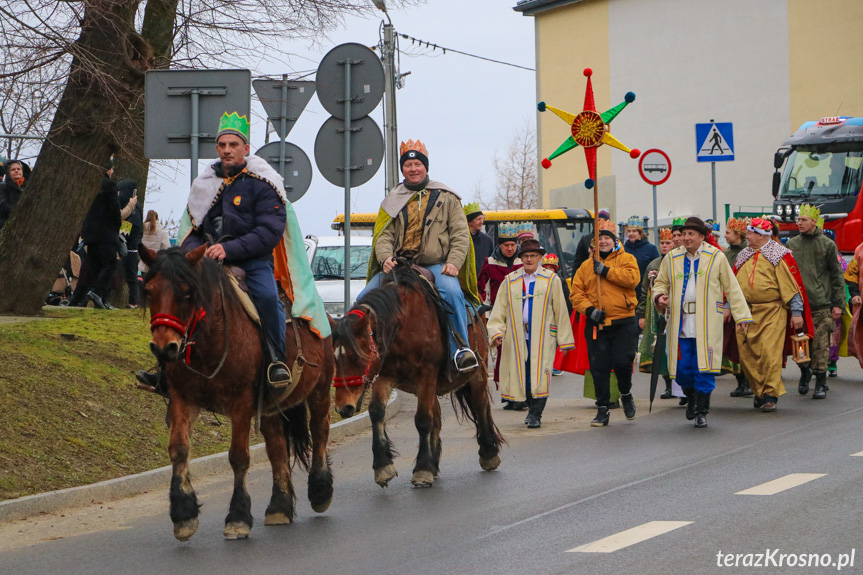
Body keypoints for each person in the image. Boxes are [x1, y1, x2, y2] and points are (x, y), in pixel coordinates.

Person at [139, 111, 312, 394]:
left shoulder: (264, 183)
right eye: (222, 145)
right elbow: (194, 230)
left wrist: (228, 248)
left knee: (269, 298)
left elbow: (269, 231)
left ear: (245, 148)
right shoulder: (205, 185)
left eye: (234, 145)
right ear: (217, 149)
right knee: (177, 296)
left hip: (252, 263)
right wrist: (195, 253)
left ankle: (275, 362)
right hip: (208, 263)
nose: (227, 150)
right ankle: (166, 371)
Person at [363, 139, 479, 372]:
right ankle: (365, 354)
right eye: (408, 165)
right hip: (399, 266)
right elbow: (383, 236)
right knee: (363, 299)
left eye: (417, 164)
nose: (413, 169)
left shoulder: (447, 197)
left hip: (436, 265)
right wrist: (385, 257)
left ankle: (461, 350)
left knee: (453, 293)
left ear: (426, 167)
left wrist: (454, 263)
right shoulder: (392, 200)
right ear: (402, 169)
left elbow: (460, 235)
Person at [653, 217, 753, 428]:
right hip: (681, 323)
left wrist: (741, 315)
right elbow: (661, 282)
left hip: (707, 323)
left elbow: (732, 286)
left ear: (701, 236)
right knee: (682, 370)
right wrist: (660, 295)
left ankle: (701, 411)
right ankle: (691, 398)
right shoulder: (671, 258)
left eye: (691, 234)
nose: (686, 238)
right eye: (684, 234)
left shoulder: (716, 256)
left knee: (704, 369)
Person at [488, 239, 574, 428]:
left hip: (543, 336)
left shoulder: (551, 280)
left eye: (533, 256)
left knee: (541, 374)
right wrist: (496, 331)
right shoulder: (510, 280)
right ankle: (530, 405)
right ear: (521, 258)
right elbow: (499, 310)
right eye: (525, 256)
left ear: (539, 258)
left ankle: (536, 414)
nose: (529, 259)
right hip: (517, 336)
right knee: (523, 376)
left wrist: (565, 340)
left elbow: (560, 309)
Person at [733, 217, 811, 412]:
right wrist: (727, 305)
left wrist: (796, 312)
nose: (747, 236)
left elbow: (792, 286)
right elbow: (732, 285)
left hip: (772, 311)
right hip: (746, 313)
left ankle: (770, 395)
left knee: (769, 354)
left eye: (750, 233)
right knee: (747, 355)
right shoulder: (743, 255)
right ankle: (759, 390)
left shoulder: (780, 255)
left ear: (761, 235)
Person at [570, 218, 640, 427]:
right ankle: (602, 409)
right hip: (597, 325)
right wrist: (590, 311)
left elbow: (632, 279)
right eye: (599, 239)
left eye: (606, 238)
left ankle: (625, 393)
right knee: (598, 367)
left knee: (622, 363)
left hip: (623, 321)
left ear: (614, 240)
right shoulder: (585, 266)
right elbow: (576, 294)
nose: (603, 242)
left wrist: (606, 271)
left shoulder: (627, 258)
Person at [786, 205, 845, 399]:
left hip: (821, 305)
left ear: (814, 222)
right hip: (799, 307)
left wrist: (838, 304)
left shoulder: (827, 245)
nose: (799, 223)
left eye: (803, 220)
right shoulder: (792, 244)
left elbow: (837, 277)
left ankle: (821, 381)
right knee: (800, 344)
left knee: (820, 345)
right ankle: (805, 372)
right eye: (798, 219)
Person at [478, 222, 523, 408]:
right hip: (500, 314)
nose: (510, 248)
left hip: (522, 313)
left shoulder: (524, 261)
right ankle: (508, 393)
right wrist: (483, 306)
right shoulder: (490, 263)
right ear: (500, 246)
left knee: (522, 354)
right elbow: (480, 287)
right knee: (504, 354)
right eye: (506, 245)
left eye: (513, 245)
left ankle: (521, 393)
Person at [636, 227, 674, 398]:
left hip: (674, 310)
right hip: (656, 312)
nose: (664, 246)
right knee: (660, 348)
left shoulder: (678, 262)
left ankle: (681, 385)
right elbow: (644, 291)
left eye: (668, 243)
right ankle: (668, 384)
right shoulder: (654, 264)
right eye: (662, 243)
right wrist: (642, 314)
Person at [118, 180, 143, 309]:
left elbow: (134, 225)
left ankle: (133, 302)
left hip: (131, 247)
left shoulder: (134, 207)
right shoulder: (125, 205)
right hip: (127, 245)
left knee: (131, 275)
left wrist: (119, 231)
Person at [623, 215, 660, 302]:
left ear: (640, 232)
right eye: (629, 231)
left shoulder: (651, 249)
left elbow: (657, 266)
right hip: (627, 291)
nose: (631, 234)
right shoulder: (623, 249)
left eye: (634, 231)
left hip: (644, 291)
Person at [572, 209, 610, 277]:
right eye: (598, 220)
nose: (601, 223)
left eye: (604, 220)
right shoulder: (585, 240)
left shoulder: (615, 241)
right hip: (589, 276)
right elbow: (577, 264)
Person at [465, 202, 493, 278]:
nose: (482, 222)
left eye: (482, 218)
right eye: (478, 219)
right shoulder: (460, 239)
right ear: (469, 222)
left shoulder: (487, 240)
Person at [0, 159, 28, 231]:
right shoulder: (3, 187)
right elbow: (3, 205)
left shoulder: (29, 186)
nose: (16, 171)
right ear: (8, 173)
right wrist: (19, 211)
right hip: (7, 223)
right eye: (13, 169)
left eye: (18, 169)